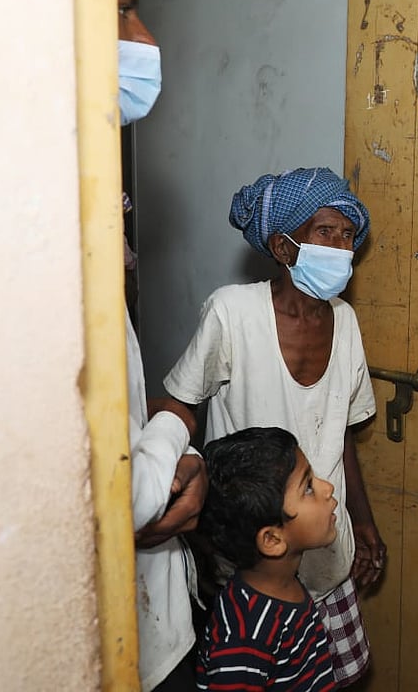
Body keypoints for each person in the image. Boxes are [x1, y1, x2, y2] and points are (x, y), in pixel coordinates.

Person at [165, 167, 381, 687]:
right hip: (252, 550)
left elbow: (341, 431)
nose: (341, 245)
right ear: (284, 248)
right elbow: (180, 407)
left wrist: (364, 522)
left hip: (324, 541)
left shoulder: (344, 321)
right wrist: (190, 513)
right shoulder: (232, 313)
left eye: (348, 235)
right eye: (325, 232)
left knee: (328, 676)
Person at [117, 0, 206, 692]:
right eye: (121, 11)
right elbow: (128, 492)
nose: (145, 38)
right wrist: (179, 429)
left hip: (162, 620)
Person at [196, 427, 339, 691]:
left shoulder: (284, 584)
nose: (327, 488)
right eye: (308, 487)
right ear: (272, 540)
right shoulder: (244, 638)